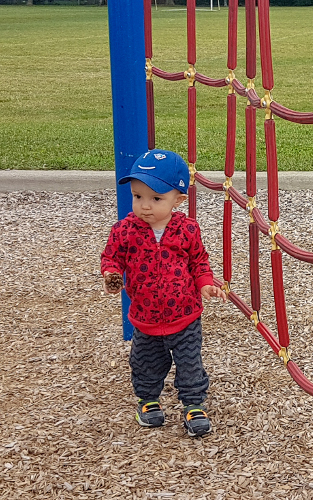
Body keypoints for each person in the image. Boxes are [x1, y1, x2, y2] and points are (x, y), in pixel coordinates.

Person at [101, 149, 227, 437]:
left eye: (156, 199)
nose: (145, 205)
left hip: (185, 314)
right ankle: (148, 401)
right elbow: (112, 257)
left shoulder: (187, 229)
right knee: (145, 362)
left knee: (189, 362)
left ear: (177, 200)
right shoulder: (124, 231)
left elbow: (198, 261)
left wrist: (205, 283)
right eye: (137, 196)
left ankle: (193, 405)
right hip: (145, 316)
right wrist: (111, 274)